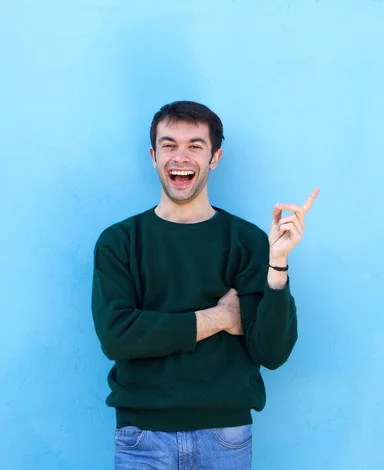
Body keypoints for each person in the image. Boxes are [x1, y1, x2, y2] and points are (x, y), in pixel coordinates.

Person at [91, 100, 319, 469]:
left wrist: (277, 263)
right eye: (169, 145)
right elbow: (118, 336)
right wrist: (219, 317)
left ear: (214, 158)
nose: (181, 157)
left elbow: (272, 353)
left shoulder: (247, 241)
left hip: (225, 437)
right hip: (143, 438)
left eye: (195, 146)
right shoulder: (120, 242)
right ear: (153, 155)